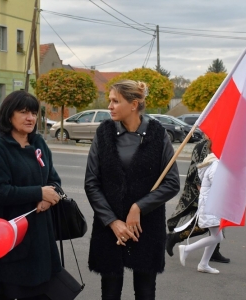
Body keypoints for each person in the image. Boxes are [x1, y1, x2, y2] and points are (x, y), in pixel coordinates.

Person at [84, 79, 180, 300]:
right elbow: (91, 183)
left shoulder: (158, 134)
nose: (109, 106)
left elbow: (172, 183)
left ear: (134, 104)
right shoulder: (104, 132)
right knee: (110, 292)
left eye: (115, 101)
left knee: (145, 292)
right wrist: (112, 221)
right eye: (110, 100)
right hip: (110, 228)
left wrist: (139, 207)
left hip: (146, 227)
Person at [0, 90, 62, 300]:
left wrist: (48, 197)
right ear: (9, 115)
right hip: (12, 239)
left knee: (43, 291)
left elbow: (54, 180)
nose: (30, 118)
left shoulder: (38, 143)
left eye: (34, 112)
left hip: (41, 237)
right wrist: (38, 193)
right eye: (24, 112)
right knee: (13, 291)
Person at [166, 137, 230, 263]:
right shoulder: (204, 146)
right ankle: (175, 238)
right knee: (205, 225)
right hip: (199, 192)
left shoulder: (222, 143)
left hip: (212, 191)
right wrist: (204, 193)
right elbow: (196, 172)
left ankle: (214, 252)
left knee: (217, 223)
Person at [178, 152, 223, 274]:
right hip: (211, 205)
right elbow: (219, 184)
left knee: (215, 236)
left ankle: (203, 264)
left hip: (211, 205)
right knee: (218, 236)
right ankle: (186, 249)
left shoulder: (215, 164)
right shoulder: (217, 165)